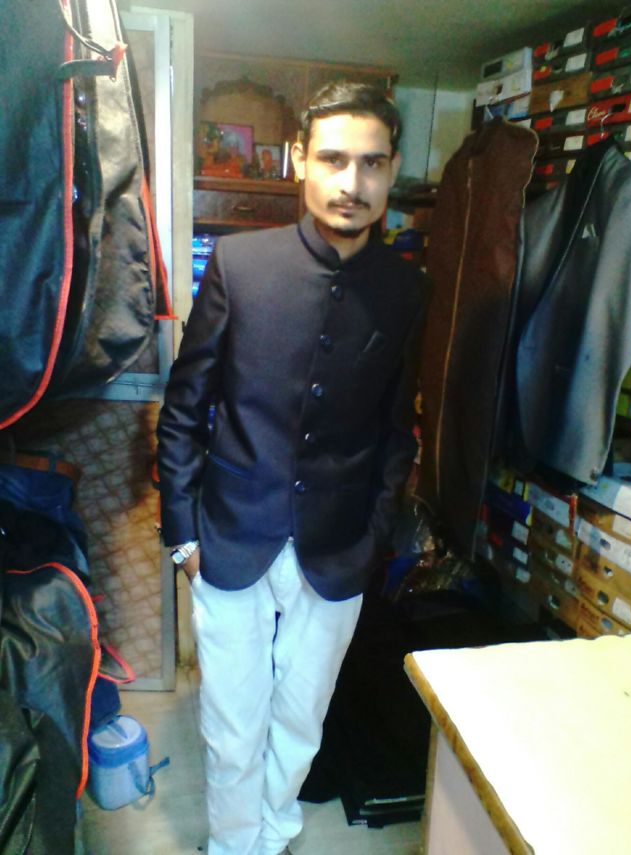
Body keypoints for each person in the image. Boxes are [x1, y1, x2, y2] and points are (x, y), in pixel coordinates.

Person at [156, 80, 427, 855]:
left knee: (301, 720)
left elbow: (396, 427)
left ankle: (271, 832)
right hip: (229, 533)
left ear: (392, 168)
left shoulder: (407, 288)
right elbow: (185, 407)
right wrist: (182, 534)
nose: (352, 182)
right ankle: (232, 843)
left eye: (371, 163)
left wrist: (374, 536)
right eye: (334, 159)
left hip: (338, 545)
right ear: (300, 160)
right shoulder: (240, 264)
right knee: (232, 724)